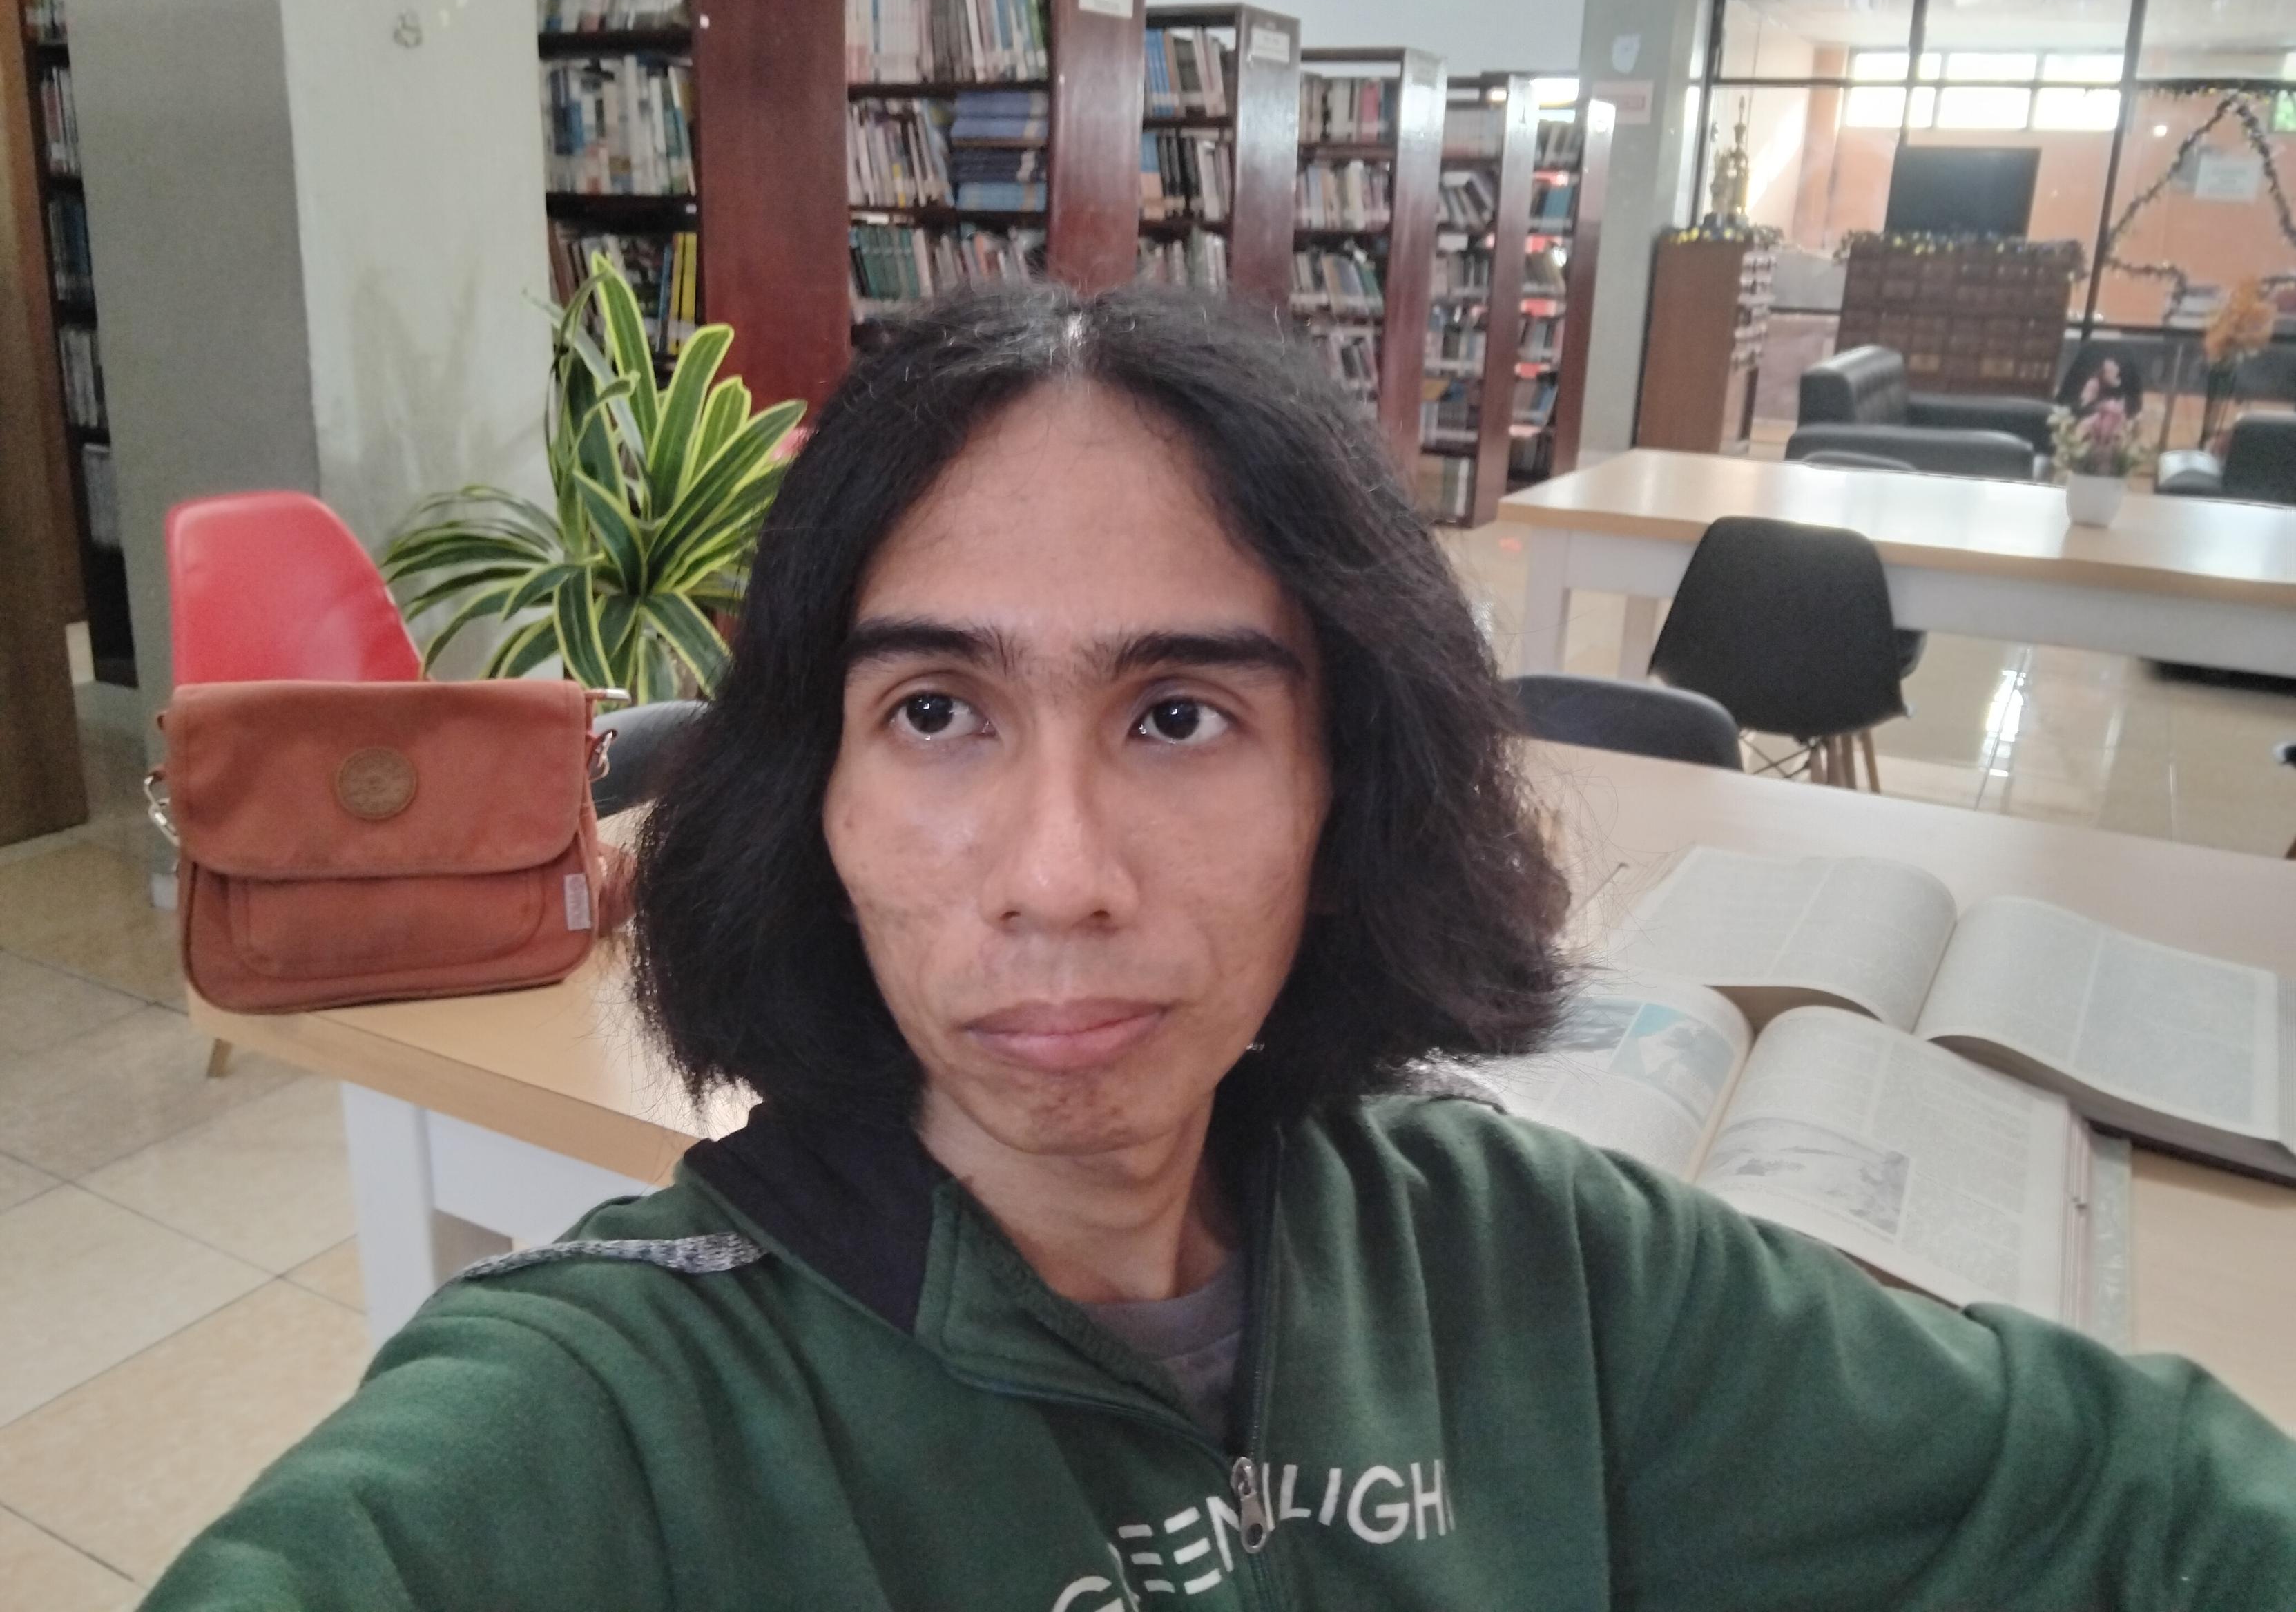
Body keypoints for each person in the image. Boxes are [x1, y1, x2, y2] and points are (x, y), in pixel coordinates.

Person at [144, 287, 2296, 1610]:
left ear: (1345, 797)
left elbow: (2149, 1507)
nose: (1059, 875)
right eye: (937, 713)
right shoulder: (615, 1422)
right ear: (813, 797)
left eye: (1180, 717)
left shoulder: (1530, 1268)